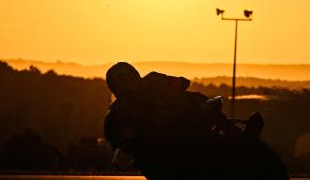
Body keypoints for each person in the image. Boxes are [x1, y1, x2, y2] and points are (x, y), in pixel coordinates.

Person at [104, 62, 263, 153]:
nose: (129, 83)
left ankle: (241, 140)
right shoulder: (151, 80)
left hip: (182, 126)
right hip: (177, 131)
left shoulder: (121, 108)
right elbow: (183, 83)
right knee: (208, 108)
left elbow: (182, 83)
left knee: (210, 108)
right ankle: (240, 138)